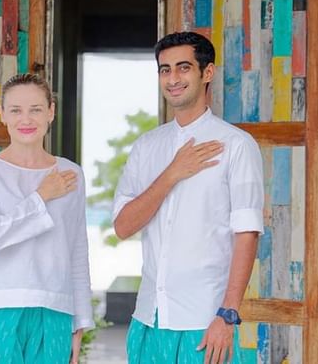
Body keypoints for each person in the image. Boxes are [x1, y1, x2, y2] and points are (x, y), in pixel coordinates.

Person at [113, 31, 264, 363]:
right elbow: (123, 226)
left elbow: (247, 233)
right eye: (165, 70)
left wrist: (228, 315)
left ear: (206, 73)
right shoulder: (146, 147)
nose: (173, 78)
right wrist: (172, 173)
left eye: (183, 68)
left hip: (207, 321)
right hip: (149, 318)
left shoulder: (236, 145)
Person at [0, 73, 94, 364]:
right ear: (3, 115)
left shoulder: (70, 174)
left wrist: (80, 322)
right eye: (16, 110)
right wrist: (41, 195)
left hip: (54, 310)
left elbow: (77, 249)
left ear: (51, 112)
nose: (26, 119)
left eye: (35, 109)